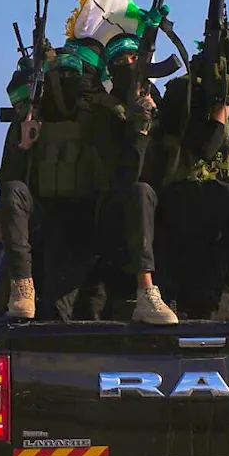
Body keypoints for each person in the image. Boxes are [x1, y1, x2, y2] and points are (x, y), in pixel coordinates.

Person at [146, 25, 229, 321]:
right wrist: (217, 111)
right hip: (182, 191)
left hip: (215, 196)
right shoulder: (184, 90)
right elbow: (203, 148)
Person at [0, 39, 109, 320]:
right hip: (43, 213)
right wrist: (24, 145)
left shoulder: (95, 116)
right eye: (60, 75)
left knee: (63, 308)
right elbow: (10, 177)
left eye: (71, 75)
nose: (65, 82)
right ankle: (22, 285)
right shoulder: (28, 122)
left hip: (84, 220)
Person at [87, 34, 178, 324]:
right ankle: (146, 291)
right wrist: (140, 131)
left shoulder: (158, 102)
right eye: (122, 61)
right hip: (118, 209)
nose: (131, 64)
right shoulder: (103, 111)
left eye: (135, 58)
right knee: (140, 191)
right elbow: (124, 178)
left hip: (160, 205)